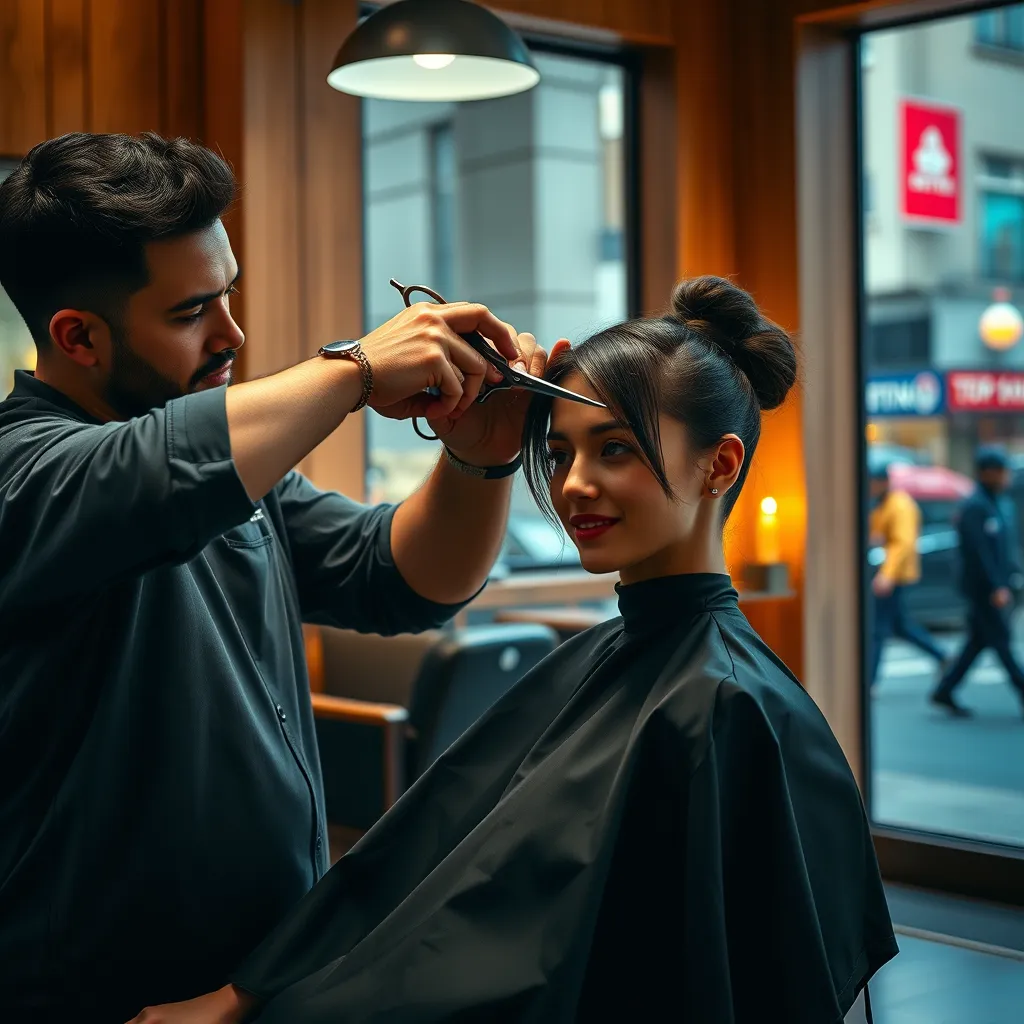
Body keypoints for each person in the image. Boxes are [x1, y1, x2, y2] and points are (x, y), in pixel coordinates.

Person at [142, 276, 898, 1024]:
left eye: (615, 449)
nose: (575, 485)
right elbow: (418, 856)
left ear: (720, 465)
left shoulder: (724, 707)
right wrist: (250, 992)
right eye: (563, 453)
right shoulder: (613, 663)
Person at [0, 132, 549, 1022]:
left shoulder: (234, 473)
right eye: (191, 314)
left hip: (260, 979)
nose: (232, 334)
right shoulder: (26, 473)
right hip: (99, 998)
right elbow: (155, 474)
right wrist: (359, 369)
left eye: (229, 294)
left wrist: (478, 462)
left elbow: (403, 577)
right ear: (78, 337)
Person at [931, 446, 1024, 718]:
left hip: (997, 586)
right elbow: (979, 552)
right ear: (988, 473)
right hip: (983, 589)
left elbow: (1005, 548)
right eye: (1002, 471)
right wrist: (996, 586)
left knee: (977, 643)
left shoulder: (998, 503)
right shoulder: (975, 506)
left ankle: (944, 690)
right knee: (1002, 642)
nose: (1006, 477)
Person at [867, 462, 947, 689]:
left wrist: (887, 575)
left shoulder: (900, 505)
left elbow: (902, 544)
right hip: (888, 572)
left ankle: (869, 681)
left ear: (882, 483)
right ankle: (941, 655)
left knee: (878, 629)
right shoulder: (883, 504)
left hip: (895, 574)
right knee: (899, 625)